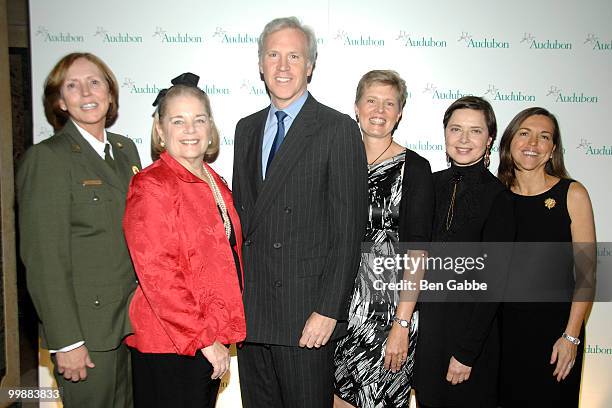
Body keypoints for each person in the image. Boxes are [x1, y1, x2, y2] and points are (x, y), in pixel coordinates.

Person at [232, 16, 368, 407]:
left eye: (294, 56)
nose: (283, 66)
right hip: (253, 315)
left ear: (310, 66)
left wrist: (328, 310)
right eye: (273, 55)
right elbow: (245, 226)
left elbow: (348, 232)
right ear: (260, 64)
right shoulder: (246, 129)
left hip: (305, 317)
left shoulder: (336, 128)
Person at [17, 52, 141, 407]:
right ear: (60, 101)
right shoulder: (48, 159)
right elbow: (44, 261)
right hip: (86, 332)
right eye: (72, 85)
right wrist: (66, 341)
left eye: (94, 82)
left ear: (111, 94)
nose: (86, 92)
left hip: (132, 323)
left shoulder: (125, 150)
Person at [122, 73, 246, 408]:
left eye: (199, 120)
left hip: (202, 342)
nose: (190, 130)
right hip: (170, 345)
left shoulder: (213, 180)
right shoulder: (152, 186)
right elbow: (159, 275)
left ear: (210, 128)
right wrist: (205, 340)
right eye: (178, 121)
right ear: (161, 131)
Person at [333, 70, 434, 407]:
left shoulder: (415, 168)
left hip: (388, 313)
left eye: (389, 103)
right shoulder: (337, 161)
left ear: (400, 112)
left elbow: (418, 253)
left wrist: (402, 323)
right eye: (372, 101)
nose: (379, 110)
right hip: (336, 311)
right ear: (357, 107)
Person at [414, 96, 515, 407]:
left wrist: (467, 352)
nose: (463, 139)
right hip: (427, 337)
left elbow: (494, 285)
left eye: (475, 131)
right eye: (456, 129)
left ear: (490, 139)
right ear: (445, 133)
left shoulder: (498, 197)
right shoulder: (427, 185)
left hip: (470, 343)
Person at [497, 107, 595, 407]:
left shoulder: (572, 194)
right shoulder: (495, 195)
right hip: (501, 336)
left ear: (553, 149)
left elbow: (587, 276)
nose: (533, 144)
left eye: (544, 137)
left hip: (556, 335)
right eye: (524, 133)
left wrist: (571, 337)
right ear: (510, 141)